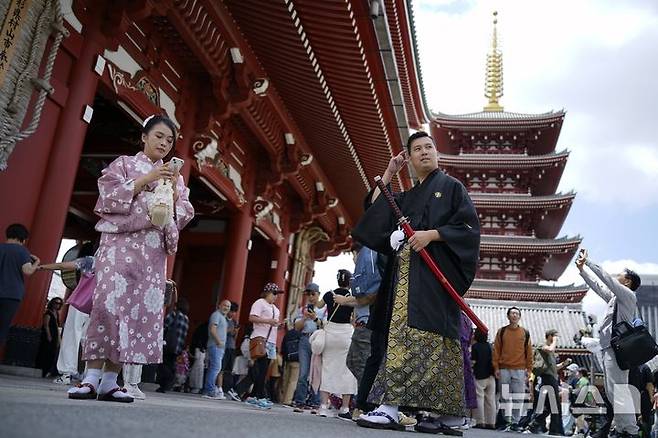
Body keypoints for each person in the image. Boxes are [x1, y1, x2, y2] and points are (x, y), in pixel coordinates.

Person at [351, 131, 481, 432]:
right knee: (402, 336)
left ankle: (444, 413)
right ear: (409, 158)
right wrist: (390, 172)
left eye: (429, 147)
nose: (424, 152)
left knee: (441, 341)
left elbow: (468, 229)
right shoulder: (408, 196)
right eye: (417, 149)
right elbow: (376, 208)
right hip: (407, 278)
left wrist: (432, 235)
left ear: (436, 153)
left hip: (436, 277)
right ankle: (393, 407)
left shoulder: (451, 187)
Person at [67, 114, 194, 403]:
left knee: (134, 313)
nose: (164, 143)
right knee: (107, 308)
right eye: (159, 136)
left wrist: (173, 197)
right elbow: (108, 196)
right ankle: (89, 378)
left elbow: (185, 214)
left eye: (169, 140)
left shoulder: (176, 177)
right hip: (118, 248)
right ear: (144, 137)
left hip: (151, 255)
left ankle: (111, 381)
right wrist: (146, 182)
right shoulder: (123, 164)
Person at [576, 249, 641, 437]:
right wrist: (582, 270)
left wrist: (588, 262)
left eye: (620, 276)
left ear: (627, 281)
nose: (617, 277)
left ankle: (630, 431)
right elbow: (598, 286)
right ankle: (623, 429)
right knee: (613, 391)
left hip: (617, 349)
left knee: (619, 391)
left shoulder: (628, 295)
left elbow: (606, 280)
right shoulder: (615, 298)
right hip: (608, 348)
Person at [333, 243, 383, 420]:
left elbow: (368, 297)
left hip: (366, 324)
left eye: (353, 254)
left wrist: (344, 301)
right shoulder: (370, 264)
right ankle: (367, 401)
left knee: (360, 363)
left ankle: (366, 404)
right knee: (355, 362)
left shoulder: (369, 261)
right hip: (363, 324)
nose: (354, 258)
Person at [38, 243, 96, 385]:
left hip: (79, 303)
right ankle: (90, 376)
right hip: (98, 306)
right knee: (91, 340)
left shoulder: (90, 261)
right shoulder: (114, 262)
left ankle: (66, 373)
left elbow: (65, 266)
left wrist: (42, 267)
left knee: (71, 336)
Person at [314, 269, 358, 419]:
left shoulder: (329, 294)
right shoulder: (351, 297)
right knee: (347, 370)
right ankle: (345, 408)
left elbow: (318, 306)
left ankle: (323, 406)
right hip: (346, 333)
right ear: (350, 281)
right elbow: (354, 319)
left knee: (327, 369)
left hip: (330, 332)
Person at [492, 306, 533, 431]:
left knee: (518, 396)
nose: (514, 315)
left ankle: (515, 422)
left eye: (517, 313)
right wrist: (496, 367)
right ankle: (505, 421)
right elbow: (496, 350)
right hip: (504, 369)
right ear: (508, 316)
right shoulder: (502, 331)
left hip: (520, 369)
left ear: (519, 317)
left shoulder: (525, 333)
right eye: (512, 313)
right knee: (504, 397)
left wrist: (529, 369)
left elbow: (529, 352)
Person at [0, 223, 40, 348]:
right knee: (2, 327)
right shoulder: (22, 251)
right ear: (22, 238)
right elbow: (28, 271)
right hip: (11, 295)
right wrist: (37, 263)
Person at [527, 329, 572, 435]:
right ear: (550, 336)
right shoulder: (541, 345)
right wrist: (554, 341)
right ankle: (555, 430)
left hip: (552, 378)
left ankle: (535, 425)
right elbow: (550, 349)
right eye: (555, 336)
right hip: (546, 378)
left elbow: (553, 368)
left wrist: (564, 364)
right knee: (554, 405)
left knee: (549, 406)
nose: (557, 339)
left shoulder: (551, 353)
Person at [292, 282, 327, 411]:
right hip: (305, 339)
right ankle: (300, 400)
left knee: (317, 371)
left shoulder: (324, 309)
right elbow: (296, 327)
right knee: (303, 372)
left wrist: (315, 318)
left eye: (313, 294)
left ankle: (315, 401)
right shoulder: (302, 309)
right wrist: (305, 318)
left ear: (318, 294)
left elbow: (325, 326)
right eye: (309, 294)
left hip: (318, 340)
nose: (311, 297)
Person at [246, 282, 282, 409]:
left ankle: (253, 395)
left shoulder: (276, 309)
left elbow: (273, 323)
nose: (276, 296)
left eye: (277, 294)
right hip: (260, 338)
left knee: (264, 369)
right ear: (267, 292)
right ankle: (261, 396)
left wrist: (277, 324)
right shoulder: (259, 303)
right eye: (274, 293)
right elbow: (252, 317)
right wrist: (268, 321)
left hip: (271, 340)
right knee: (261, 368)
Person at [157, 296, 190, 393]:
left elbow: (164, 326)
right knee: (171, 364)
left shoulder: (173, 315)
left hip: (168, 345)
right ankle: (169, 382)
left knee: (163, 364)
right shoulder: (186, 319)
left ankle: (164, 383)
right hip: (178, 347)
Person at [202, 300, 230, 400]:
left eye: (228, 306)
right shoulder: (216, 315)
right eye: (224, 305)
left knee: (214, 368)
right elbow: (213, 329)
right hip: (215, 346)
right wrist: (218, 342)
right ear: (219, 305)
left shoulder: (223, 317)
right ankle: (210, 390)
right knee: (216, 368)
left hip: (219, 347)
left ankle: (208, 390)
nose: (226, 307)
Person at [471, 328, 496, 429]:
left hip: (479, 376)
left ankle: (480, 422)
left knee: (479, 398)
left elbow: (473, 362)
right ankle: (491, 422)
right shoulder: (490, 346)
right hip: (491, 376)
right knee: (490, 400)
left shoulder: (475, 347)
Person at [35, 297, 64, 377]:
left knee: (52, 353)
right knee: (45, 351)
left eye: (59, 304)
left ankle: (48, 370)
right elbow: (46, 325)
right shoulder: (48, 313)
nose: (57, 305)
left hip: (54, 334)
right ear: (52, 303)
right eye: (56, 303)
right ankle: (42, 369)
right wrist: (48, 335)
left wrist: (58, 338)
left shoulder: (57, 314)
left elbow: (58, 326)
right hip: (48, 334)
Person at [280, 320, 303, 405]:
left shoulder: (288, 333)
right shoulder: (301, 335)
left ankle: (282, 398)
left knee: (286, 380)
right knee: (293, 381)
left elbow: (283, 346)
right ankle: (288, 400)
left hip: (287, 359)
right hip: (296, 360)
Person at [221, 301, 239, 399]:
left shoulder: (234, 322)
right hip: (224, 346)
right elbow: (220, 331)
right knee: (222, 368)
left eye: (234, 312)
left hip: (232, 347)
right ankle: (219, 387)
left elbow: (234, 337)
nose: (232, 314)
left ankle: (227, 388)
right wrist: (230, 331)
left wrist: (235, 332)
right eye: (231, 311)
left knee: (229, 369)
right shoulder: (223, 319)